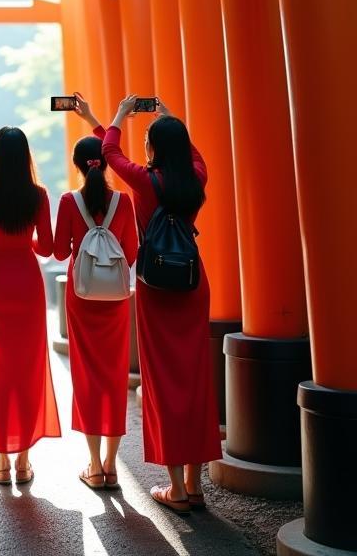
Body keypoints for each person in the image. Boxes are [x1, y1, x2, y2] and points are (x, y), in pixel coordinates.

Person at [103, 93, 221, 514]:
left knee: (163, 383)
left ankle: (175, 489)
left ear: (151, 149)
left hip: (156, 284)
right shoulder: (196, 178)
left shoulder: (144, 181)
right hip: (192, 281)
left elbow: (110, 152)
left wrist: (118, 114)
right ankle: (196, 484)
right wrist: (173, 120)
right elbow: (193, 155)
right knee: (194, 380)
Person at [0, 127, 61, 486]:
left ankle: (2, 462)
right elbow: (49, 247)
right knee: (28, 366)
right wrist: (23, 240)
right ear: (26, 158)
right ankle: (24, 461)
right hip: (27, 281)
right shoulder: (38, 195)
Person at [54, 95, 138, 491]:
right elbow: (133, 251)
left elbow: (58, 251)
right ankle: (112, 463)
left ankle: (93, 465)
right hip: (116, 300)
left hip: (81, 296)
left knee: (87, 377)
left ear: (76, 166)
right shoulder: (124, 202)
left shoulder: (69, 201)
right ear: (104, 162)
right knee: (114, 375)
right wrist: (92, 118)